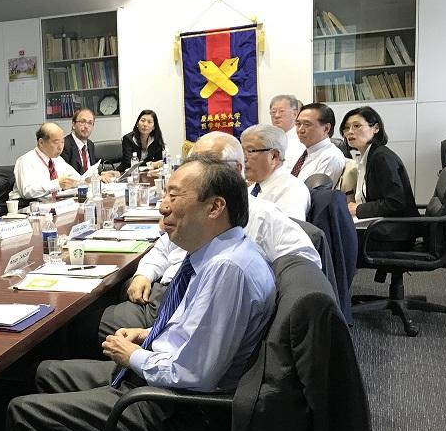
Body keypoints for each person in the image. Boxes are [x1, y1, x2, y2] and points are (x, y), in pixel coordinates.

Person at [0, 157, 276, 431]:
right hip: (171, 387)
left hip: (181, 411)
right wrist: (147, 335)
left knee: (22, 411)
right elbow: (197, 333)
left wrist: (135, 356)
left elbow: (196, 374)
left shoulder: (227, 269)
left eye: (174, 195)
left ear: (215, 207)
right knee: (45, 372)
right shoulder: (220, 254)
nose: (163, 205)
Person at [99, 131, 319, 340]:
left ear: (235, 170)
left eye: (206, 164)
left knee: (89, 320)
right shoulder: (192, 206)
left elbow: (304, 264)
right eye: (192, 162)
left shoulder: (261, 214)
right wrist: (144, 273)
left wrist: (258, 307)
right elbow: (164, 246)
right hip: (165, 291)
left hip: (194, 303)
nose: (194, 171)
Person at [341, 105, 419, 251]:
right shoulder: (368, 156)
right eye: (346, 128)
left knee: (336, 238)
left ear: (375, 128)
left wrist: (359, 209)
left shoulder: (381, 157)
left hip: (395, 234)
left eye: (357, 126)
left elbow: (396, 203)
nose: (350, 131)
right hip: (383, 226)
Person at [240, 124, 311, 220]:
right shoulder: (251, 189)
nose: (243, 158)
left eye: (250, 151)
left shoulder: (292, 190)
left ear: (274, 156)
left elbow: (288, 228)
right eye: (242, 151)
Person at [13, 122, 81, 199]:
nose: (60, 147)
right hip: (28, 204)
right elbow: (26, 191)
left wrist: (85, 180)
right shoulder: (26, 161)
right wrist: (57, 184)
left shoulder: (58, 160)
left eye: (62, 142)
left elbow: (76, 178)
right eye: (56, 142)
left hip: (54, 203)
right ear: (41, 142)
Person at [289, 102, 346, 186]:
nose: (300, 130)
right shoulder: (304, 152)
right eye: (298, 124)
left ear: (326, 129)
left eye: (307, 124)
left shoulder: (330, 156)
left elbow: (315, 192)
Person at [268, 94, 306, 170]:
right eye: (273, 112)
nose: (277, 115)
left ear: (295, 114)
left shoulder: (303, 140)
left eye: (281, 111)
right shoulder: (267, 139)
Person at [60, 109, 101, 174]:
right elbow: (64, 175)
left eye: (90, 123)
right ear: (73, 125)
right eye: (82, 122)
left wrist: (101, 175)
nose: (86, 126)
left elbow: (92, 171)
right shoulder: (64, 145)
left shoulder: (90, 144)